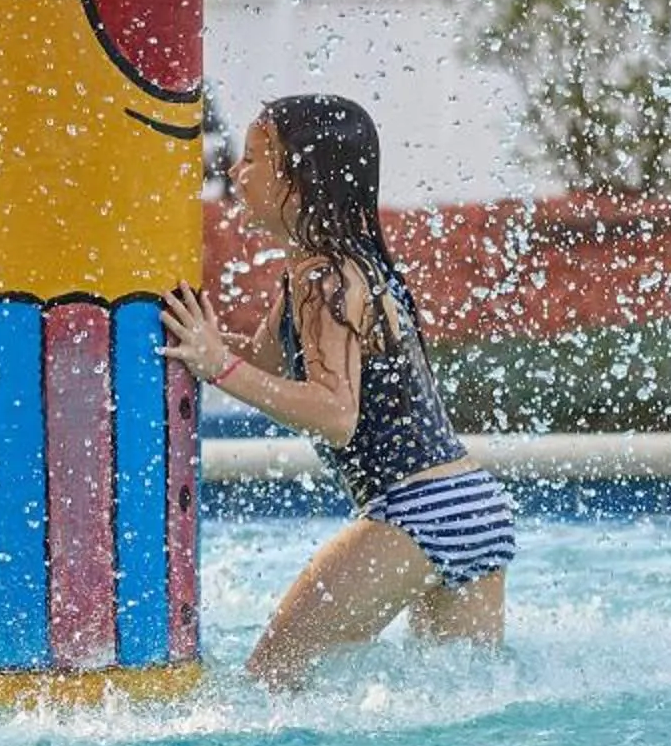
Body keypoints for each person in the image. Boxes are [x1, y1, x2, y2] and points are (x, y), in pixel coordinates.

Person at [161, 94, 515, 691]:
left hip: (414, 512)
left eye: (253, 160)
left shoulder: (321, 276)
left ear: (300, 180)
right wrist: (201, 342)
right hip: (473, 508)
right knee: (452, 709)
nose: (235, 172)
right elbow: (263, 360)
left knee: (273, 681)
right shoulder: (344, 267)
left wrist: (217, 367)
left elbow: (336, 414)